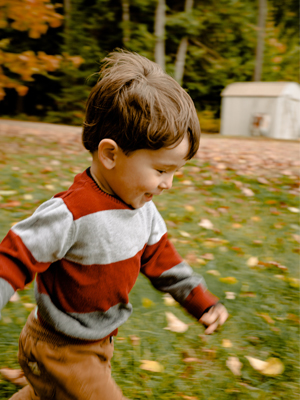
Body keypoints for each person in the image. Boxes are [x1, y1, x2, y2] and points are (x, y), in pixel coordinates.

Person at [0, 50, 228, 400]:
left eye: (175, 173)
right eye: (162, 170)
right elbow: (14, 257)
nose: (168, 184)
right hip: (60, 348)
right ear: (110, 154)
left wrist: (201, 301)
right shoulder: (71, 213)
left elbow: (163, 261)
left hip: (95, 344)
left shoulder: (144, 210)